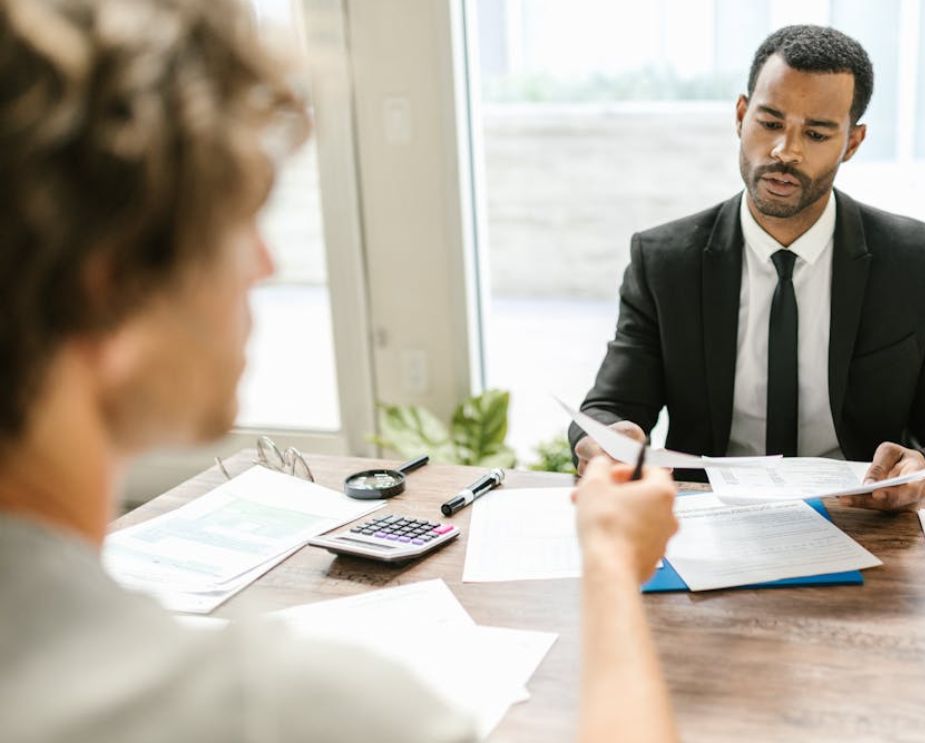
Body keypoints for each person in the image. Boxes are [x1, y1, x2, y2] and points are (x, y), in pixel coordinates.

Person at [0, 1, 679, 741]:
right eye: (239, 220)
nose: (266, 263)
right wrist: (611, 565)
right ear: (112, 288)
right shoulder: (280, 712)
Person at [571, 24, 925, 509]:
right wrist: (608, 439)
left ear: (853, 142)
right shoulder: (664, 261)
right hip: (707, 523)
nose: (786, 151)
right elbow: (610, 408)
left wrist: (921, 472)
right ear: (741, 115)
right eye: (770, 123)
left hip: (863, 522)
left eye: (816, 133)